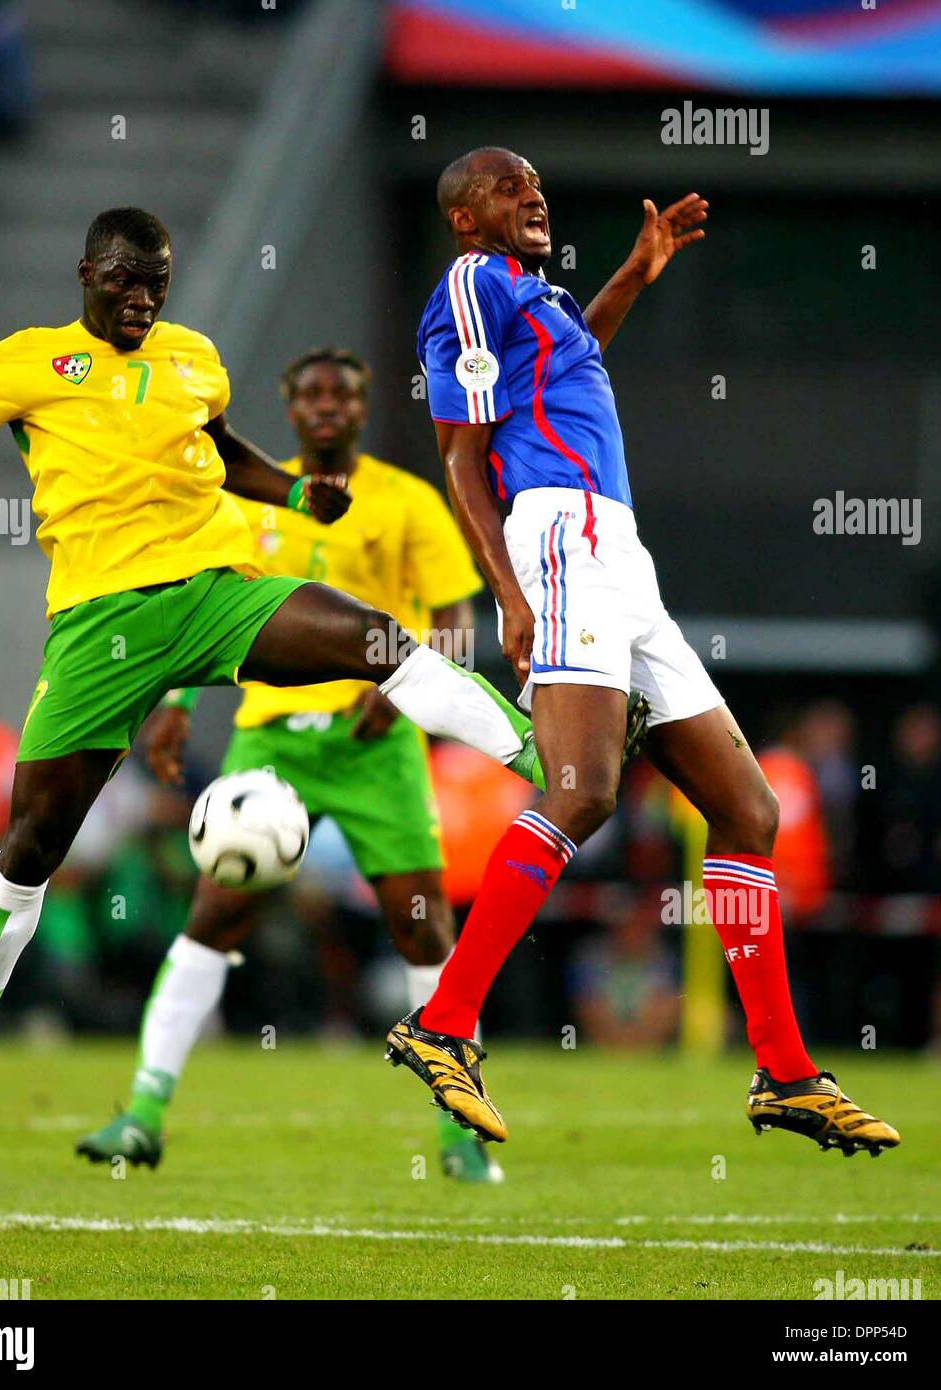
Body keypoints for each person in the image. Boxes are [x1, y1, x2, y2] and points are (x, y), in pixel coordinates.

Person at [0, 206, 549, 1162]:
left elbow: (222, 453)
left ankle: (545, 751)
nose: (141, 299)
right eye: (123, 280)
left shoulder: (193, 356)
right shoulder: (24, 361)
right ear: (84, 272)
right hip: (98, 626)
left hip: (216, 591)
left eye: (155, 282)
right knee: (30, 844)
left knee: (377, 640)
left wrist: (289, 492)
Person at [385, 148, 899, 1160]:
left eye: (536, 183)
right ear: (462, 218)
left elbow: (575, 360)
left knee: (750, 810)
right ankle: (442, 1022)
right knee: (579, 788)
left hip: (619, 553)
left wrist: (634, 270)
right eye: (505, 185)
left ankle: (786, 1073)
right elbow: (458, 452)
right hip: (560, 534)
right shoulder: (472, 286)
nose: (531, 194)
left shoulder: (542, 299)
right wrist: (509, 592)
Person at [75, 346, 503, 1182]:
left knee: (424, 927)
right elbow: (204, 607)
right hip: (270, 745)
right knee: (213, 917)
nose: (326, 407)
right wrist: (177, 704)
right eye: (310, 395)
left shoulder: (406, 501)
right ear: (290, 405)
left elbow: (455, 614)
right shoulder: (248, 499)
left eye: (342, 394)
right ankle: (143, 1112)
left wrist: (408, 687)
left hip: (377, 746)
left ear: (363, 405)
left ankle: (460, 1137)